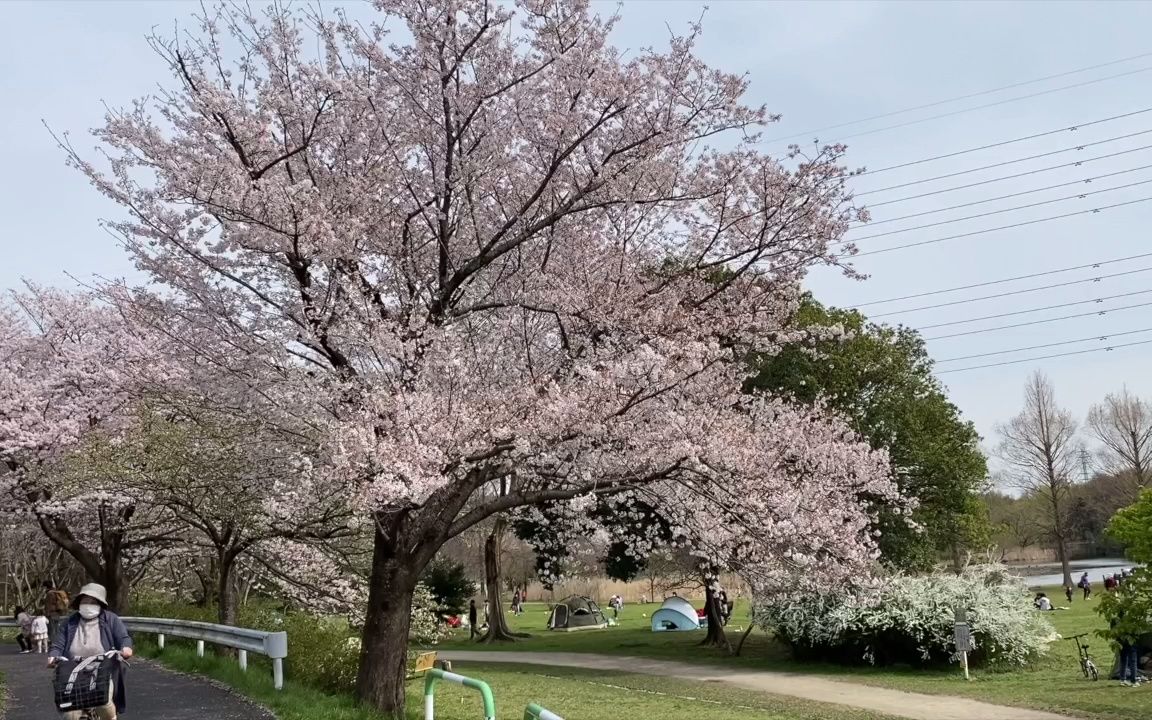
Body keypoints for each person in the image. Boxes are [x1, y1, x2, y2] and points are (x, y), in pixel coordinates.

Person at [48, 583, 134, 720]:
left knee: (104, 704)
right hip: (74, 672)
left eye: (93, 601)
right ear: (79, 602)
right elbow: (58, 644)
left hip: (103, 670)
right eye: (85, 600)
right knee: (70, 713)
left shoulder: (110, 619)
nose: (88, 604)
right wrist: (53, 656)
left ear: (100, 603)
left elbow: (123, 638)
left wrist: (126, 648)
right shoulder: (70, 622)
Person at [42, 580, 70, 646]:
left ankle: (54, 643)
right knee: (56, 628)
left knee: (52, 629)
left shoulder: (49, 594)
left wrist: (47, 613)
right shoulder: (56, 592)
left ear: (45, 587)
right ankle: (58, 641)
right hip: (57, 613)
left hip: (51, 613)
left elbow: (49, 604)